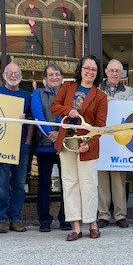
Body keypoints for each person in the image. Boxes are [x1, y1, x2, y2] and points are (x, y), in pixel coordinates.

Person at [50, 55, 107, 241]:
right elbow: (54, 107)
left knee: (89, 184)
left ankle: (92, 223)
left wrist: (89, 144)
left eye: (93, 69)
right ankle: (75, 226)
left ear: (97, 73)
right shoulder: (67, 87)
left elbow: (100, 126)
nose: (89, 72)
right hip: (67, 142)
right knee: (70, 182)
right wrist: (68, 110)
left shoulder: (101, 96)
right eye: (86, 68)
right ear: (80, 70)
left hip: (86, 144)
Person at [31, 63, 72, 232]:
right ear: (45, 79)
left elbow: (71, 117)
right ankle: (45, 220)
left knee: (67, 183)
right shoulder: (38, 93)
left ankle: (65, 218)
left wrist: (60, 135)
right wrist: (51, 134)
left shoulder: (69, 94)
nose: (54, 77)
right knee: (44, 183)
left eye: (57, 74)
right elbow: (38, 116)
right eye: (51, 75)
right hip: (44, 145)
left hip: (65, 145)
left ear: (62, 77)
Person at [0, 62, 31, 234]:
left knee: (19, 184)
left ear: (21, 75)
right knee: (0, 184)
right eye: (10, 72)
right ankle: (2, 218)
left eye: (17, 73)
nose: (13, 76)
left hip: (21, 145)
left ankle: (15, 217)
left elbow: (31, 122)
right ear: (4, 75)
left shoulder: (26, 96)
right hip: (1, 144)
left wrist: (28, 142)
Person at [97, 59, 133, 229]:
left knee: (119, 179)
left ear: (122, 74)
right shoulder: (96, 90)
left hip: (121, 140)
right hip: (101, 139)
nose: (114, 73)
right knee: (102, 179)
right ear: (106, 71)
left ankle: (120, 215)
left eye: (118, 71)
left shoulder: (129, 91)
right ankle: (103, 215)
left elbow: (132, 111)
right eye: (111, 70)